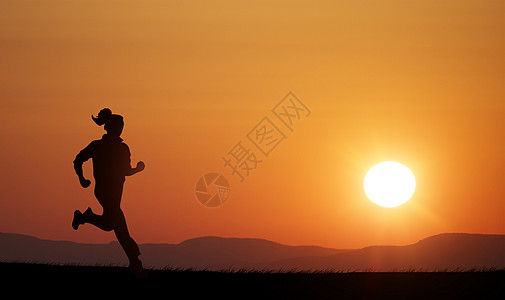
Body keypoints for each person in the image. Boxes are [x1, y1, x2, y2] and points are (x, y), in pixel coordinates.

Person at [72, 108, 147, 278]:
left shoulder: (122, 148)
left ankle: (85, 217)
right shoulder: (97, 146)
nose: (120, 129)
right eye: (118, 126)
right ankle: (136, 264)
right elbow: (78, 160)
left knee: (110, 224)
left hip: (116, 192)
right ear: (109, 127)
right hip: (104, 192)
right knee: (120, 227)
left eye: (122, 126)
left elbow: (126, 171)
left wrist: (136, 169)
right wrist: (81, 178)